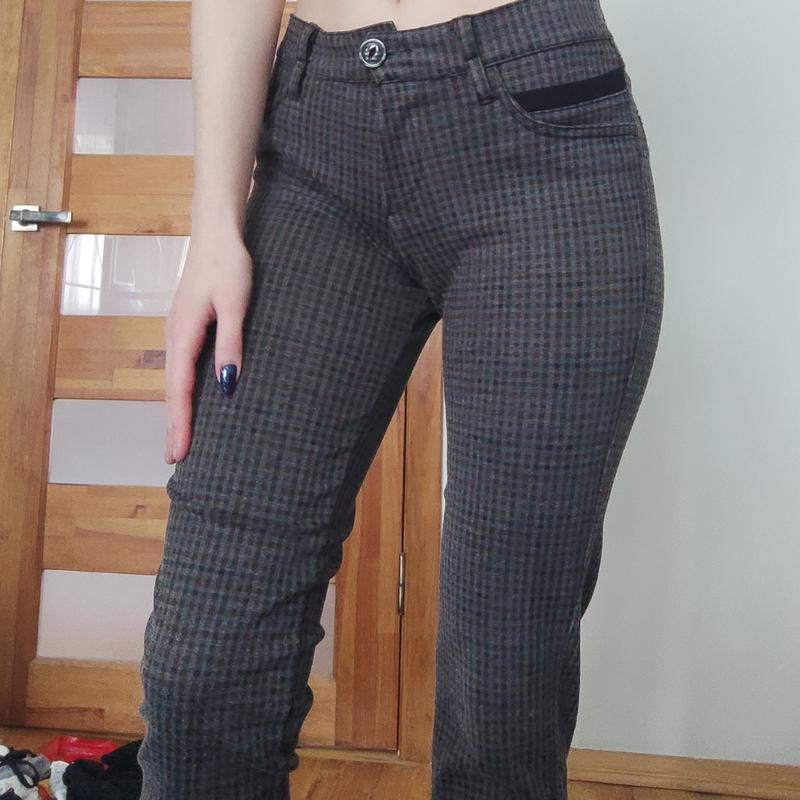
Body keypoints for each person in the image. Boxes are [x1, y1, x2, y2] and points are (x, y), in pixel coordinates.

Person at [136, 0, 665, 797]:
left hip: (541, 127)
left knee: (502, 691)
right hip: (315, 138)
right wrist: (214, 221)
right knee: (203, 667)